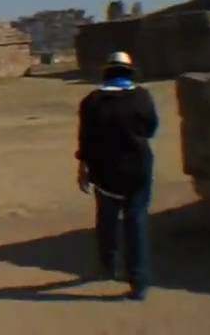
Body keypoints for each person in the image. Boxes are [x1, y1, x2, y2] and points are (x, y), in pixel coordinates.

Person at [75, 51, 159, 301]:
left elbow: (86, 140)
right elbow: (151, 128)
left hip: (105, 171)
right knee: (136, 223)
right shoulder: (142, 97)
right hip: (137, 169)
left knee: (107, 218)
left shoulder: (91, 102)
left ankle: (107, 265)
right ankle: (139, 281)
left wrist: (83, 168)